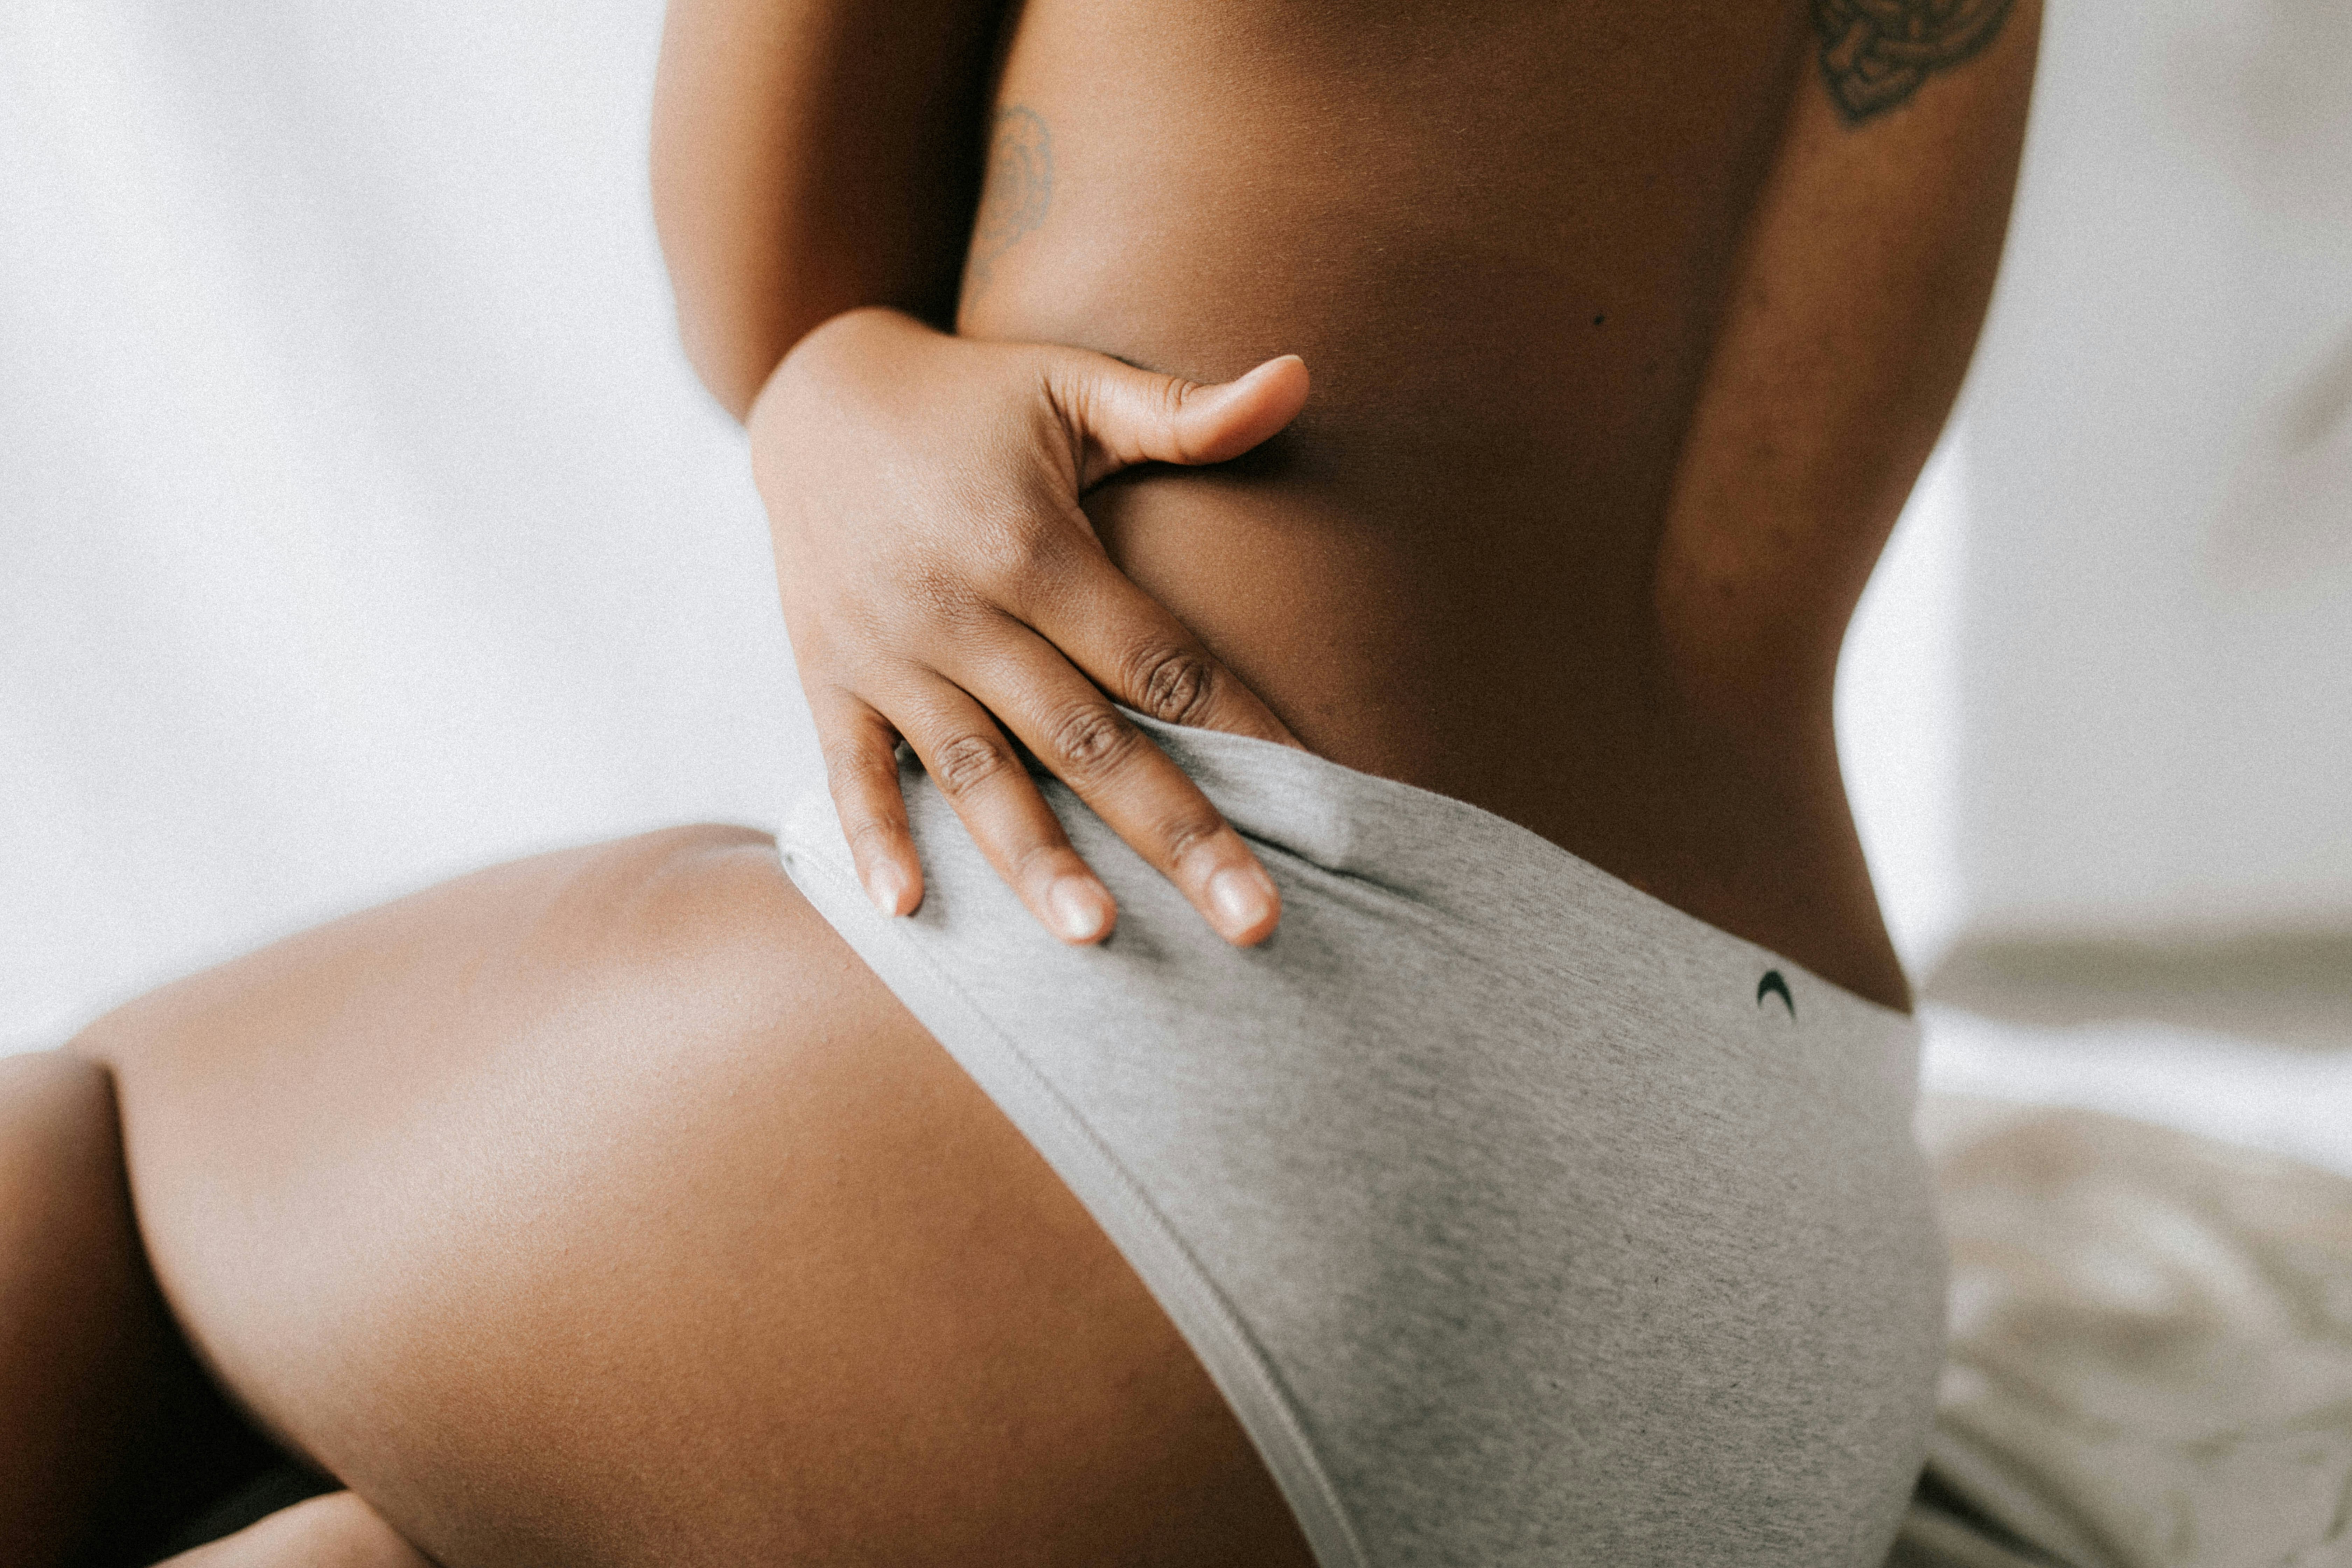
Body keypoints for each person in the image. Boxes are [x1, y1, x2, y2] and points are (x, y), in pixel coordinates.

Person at [0, 0, 2039, 1562]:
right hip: (1787, 1266)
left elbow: (770, 274)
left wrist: (822, 371)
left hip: (1217, 1082)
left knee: (90, 1133)